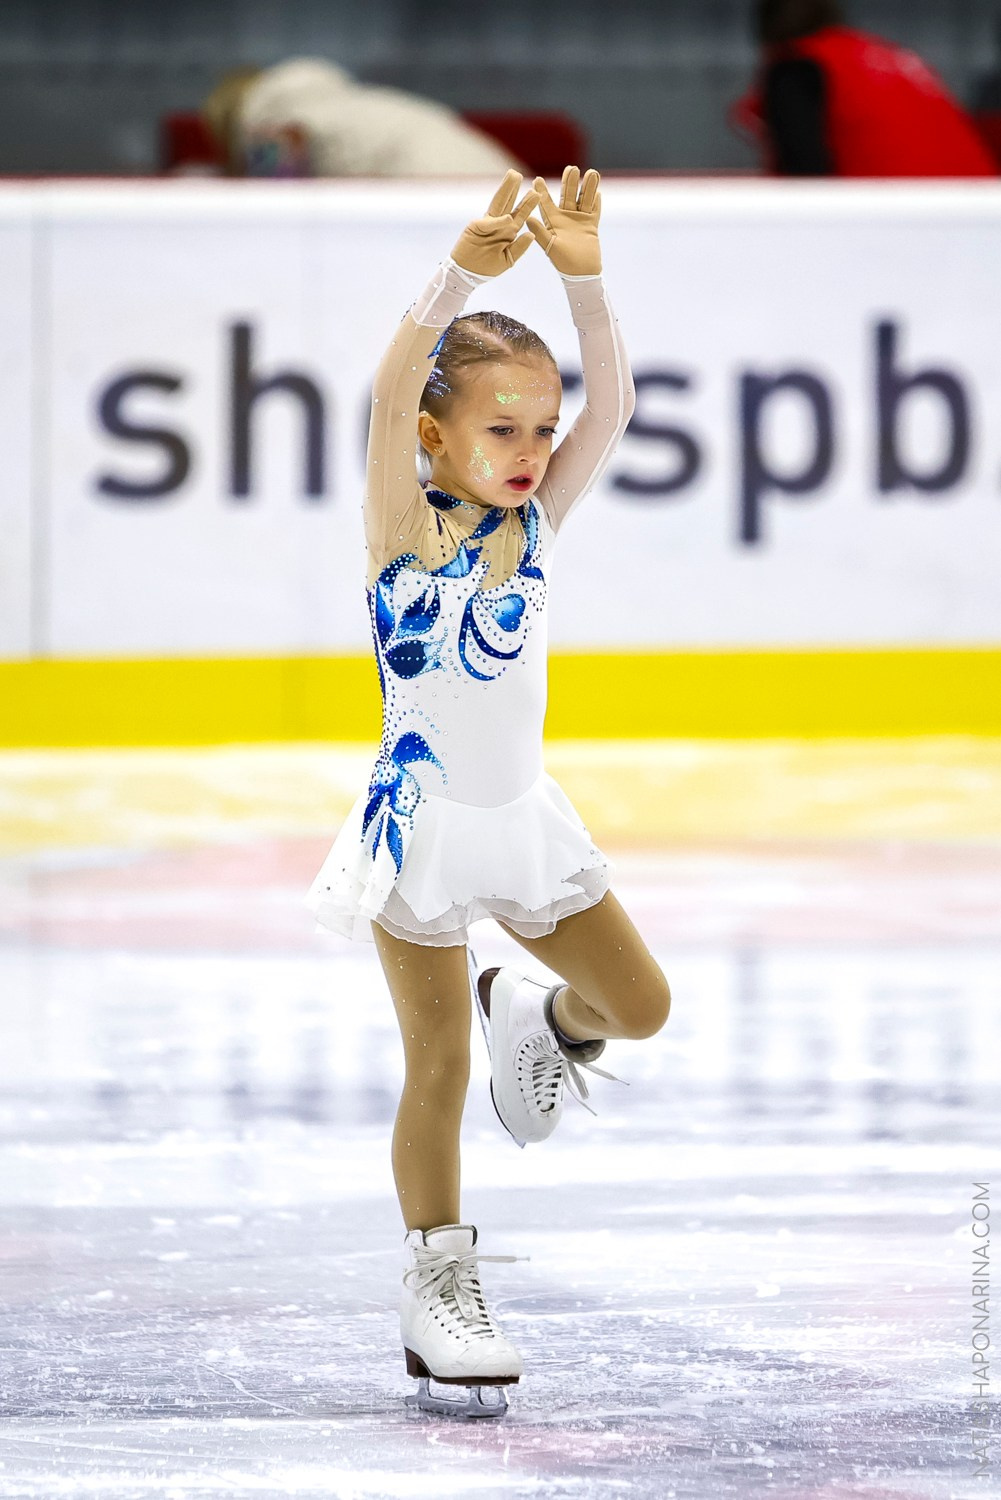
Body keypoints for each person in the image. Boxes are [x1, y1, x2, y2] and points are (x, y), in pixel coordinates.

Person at [303, 167, 672, 1418]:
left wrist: (581, 275)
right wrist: (458, 275)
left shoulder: (538, 528)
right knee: (440, 1069)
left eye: (537, 428)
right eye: (500, 429)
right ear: (436, 436)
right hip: (418, 832)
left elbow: (612, 403)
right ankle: (437, 1284)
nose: (529, 452)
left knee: (639, 1004)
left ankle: (546, 1021)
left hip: (520, 821)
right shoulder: (402, 529)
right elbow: (388, 384)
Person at [733, 0, 998, 176]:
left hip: (907, 231)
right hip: (979, 226)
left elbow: (804, 175)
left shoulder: (798, 67)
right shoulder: (894, 61)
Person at [202, 57, 525, 178]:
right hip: (487, 170)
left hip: (433, 183)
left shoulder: (268, 118)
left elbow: (274, 202)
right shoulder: (327, 98)